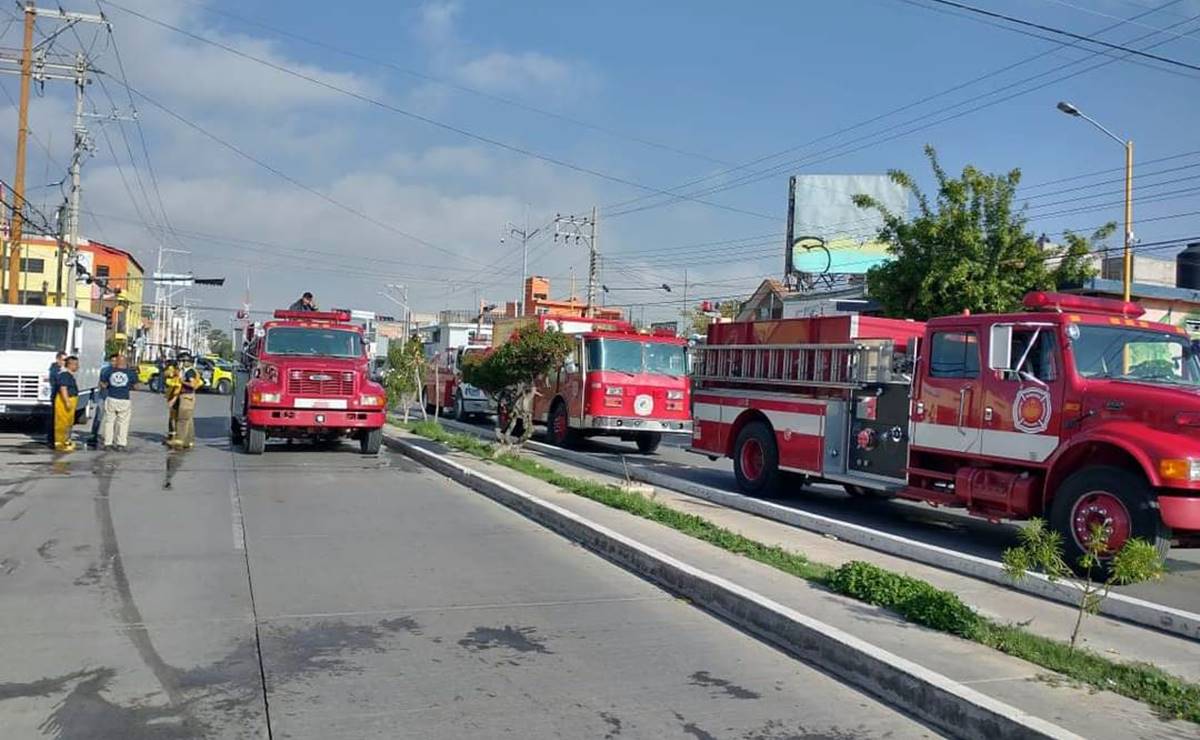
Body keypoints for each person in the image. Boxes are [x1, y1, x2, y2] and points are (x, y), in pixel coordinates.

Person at [169, 352, 204, 449]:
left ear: (186, 362)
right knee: (188, 420)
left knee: (182, 419)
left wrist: (181, 381)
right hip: (186, 397)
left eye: (181, 361)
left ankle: (179, 442)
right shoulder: (186, 371)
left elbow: (192, 384)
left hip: (186, 397)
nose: (180, 363)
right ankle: (188, 441)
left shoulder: (190, 372)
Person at [100, 355, 134, 451]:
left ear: (117, 362)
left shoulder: (109, 371)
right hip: (124, 399)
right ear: (125, 362)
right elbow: (136, 385)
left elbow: (103, 384)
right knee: (123, 423)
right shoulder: (130, 373)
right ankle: (121, 444)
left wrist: (107, 386)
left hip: (111, 398)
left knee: (109, 422)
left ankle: (108, 443)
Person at [89, 353, 117, 448]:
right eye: (112, 361)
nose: (113, 363)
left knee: (113, 419)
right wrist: (103, 385)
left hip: (114, 397)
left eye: (115, 361)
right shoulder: (105, 370)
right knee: (99, 416)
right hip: (103, 396)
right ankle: (94, 435)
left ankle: (111, 437)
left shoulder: (119, 372)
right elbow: (100, 382)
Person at [54, 356, 80, 452]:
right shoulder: (64, 375)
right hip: (64, 401)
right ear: (70, 365)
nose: (78, 366)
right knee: (62, 423)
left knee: (68, 423)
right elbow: (63, 388)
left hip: (71, 400)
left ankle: (66, 441)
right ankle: (60, 444)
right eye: (76, 364)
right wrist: (67, 402)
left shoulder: (69, 375)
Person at [46, 351, 65, 447]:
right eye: (63, 360)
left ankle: (59, 438)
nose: (64, 362)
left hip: (63, 397)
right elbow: (56, 382)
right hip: (56, 396)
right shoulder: (54, 370)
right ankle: (51, 439)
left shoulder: (63, 369)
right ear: (58, 359)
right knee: (55, 419)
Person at [163, 360, 181, 444]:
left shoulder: (175, 373)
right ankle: (172, 436)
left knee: (174, 418)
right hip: (172, 396)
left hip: (175, 396)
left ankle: (173, 437)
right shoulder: (176, 372)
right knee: (173, 417)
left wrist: (173, 399)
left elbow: (177, 386)